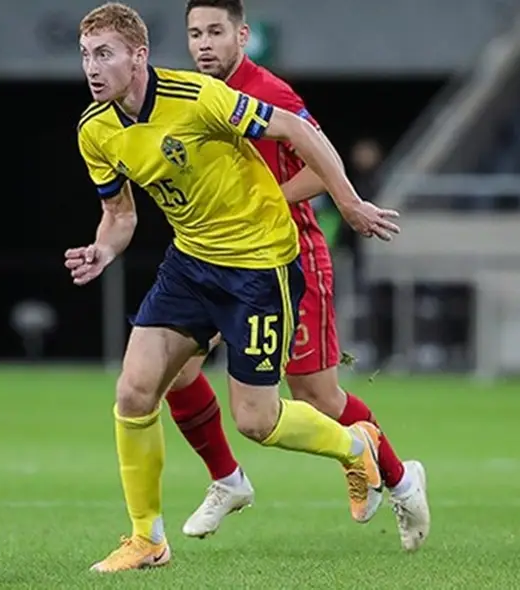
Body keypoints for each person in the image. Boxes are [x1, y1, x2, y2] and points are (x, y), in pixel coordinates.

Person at [66, 2, 400, 572]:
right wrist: (102, 248)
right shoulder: (95, 131)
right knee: (133, 392)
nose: (92, 68)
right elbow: (119, 216)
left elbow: (295, 129)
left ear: (138, 56)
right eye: (86, 56)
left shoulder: (197, 98)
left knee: (257, 421)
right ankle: (147, 539)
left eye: (105, 54)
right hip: (190, 264)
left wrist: (350, 202)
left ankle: (355, 445)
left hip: (258, 266)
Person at [170, 0, 430, 553]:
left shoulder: (270, 92)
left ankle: (402, 479)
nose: (204, 44)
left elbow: (321, 160)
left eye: (216, 31)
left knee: (316, 395)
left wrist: (277, 203)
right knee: (174, 368)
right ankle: (227, 479)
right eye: (195, 34)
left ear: (242, 34)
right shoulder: (191, 95)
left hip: (289, 256)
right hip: (219, 258)